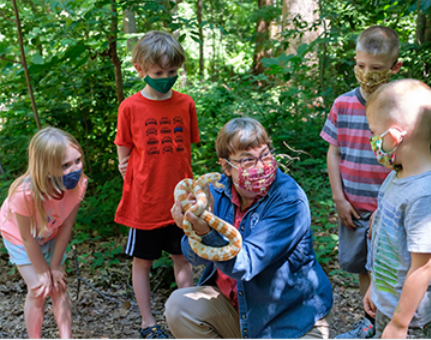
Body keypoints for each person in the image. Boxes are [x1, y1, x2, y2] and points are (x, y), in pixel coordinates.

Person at [165, 117, 333, 339]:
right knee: (179, 305)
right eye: (248, 161)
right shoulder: (215, 192)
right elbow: (194, 258)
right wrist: (192, 228)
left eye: (265, 155)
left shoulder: (289, 200)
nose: (261, 167)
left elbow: (245, 265)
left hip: (291, 321)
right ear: (226, 166)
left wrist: (205, 231)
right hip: (239, 310)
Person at [114, 30, 200, 339]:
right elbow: (123, 150)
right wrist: (133, 176)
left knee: (184, 256)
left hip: (180, 200)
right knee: (143, 262)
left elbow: (186, 148)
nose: (166, 78)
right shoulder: (130, 108)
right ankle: (148, 323)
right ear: (139, 69)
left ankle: (189, 318)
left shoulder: (185, 103)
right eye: (158, 72)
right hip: (145, 202)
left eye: (172, 72)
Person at [320, 25, 403, 339]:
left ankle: (393, 322)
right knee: (363, 267)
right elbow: (333, 151)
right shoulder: (342, 104)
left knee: (388, 266)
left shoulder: (399, 107)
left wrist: (390, 208)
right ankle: (371, 321)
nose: (367, 73)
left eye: (377, 68)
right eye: (361, 66)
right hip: (354, 207)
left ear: (394, 68)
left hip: (390, 209)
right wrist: (339, 198)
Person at [363, 79, 431, 339]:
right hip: (391, 304)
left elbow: (423, 267)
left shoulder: (425, 197)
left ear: (393, 136)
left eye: (373, 133)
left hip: (414, 319)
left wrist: (400, 323)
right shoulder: (396, 176)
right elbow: (385, 241)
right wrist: (376, 289)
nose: (372, 141)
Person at [0, 127, 87, 338]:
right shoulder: (24, 194)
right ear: (47, 168)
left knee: (58, 286)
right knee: (39, 288)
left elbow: (66, 226)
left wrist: (55, 267)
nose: (74, 169)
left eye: (78, 160)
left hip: (50, 232)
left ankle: (66, 336)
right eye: (65, 165)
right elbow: (27, 238)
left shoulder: (79, 185)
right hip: (20, 237)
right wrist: (42, 271)